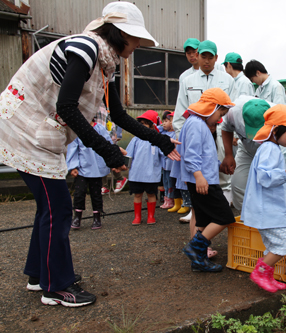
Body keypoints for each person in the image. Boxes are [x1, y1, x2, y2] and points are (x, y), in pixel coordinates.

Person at [0, 1, 179, 307]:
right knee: (58, 209)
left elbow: (119, 116)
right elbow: (67, 107)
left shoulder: (104, 64)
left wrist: (160, 140)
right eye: (136, 38)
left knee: (49, 208)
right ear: (121, 34)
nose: (138, 45)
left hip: (33, 131)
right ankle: (57, 287)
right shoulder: (85, 49)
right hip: (25, 131)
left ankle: (38, 275)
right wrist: (109, 151)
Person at [240, 104, 286, 293]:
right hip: (267, 211)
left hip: (269, 210)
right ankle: (260, 273)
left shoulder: (271, 147)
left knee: (274, 246)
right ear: (277, 130)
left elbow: (274, 175)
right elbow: (264, 177)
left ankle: (267, 275)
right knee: (284, 244)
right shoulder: (270, 148)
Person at [172, 88, 236, 272]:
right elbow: (190, 154)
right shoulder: (196, 124)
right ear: (212, 107)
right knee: (224, 217)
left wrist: (219, 165)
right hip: (203, 182)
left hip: (202, 179)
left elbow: (204, 156)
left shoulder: (197, 123)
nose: (220, 119)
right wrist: (199, 176)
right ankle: (195, 248)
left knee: (202, 221)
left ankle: (198, 261)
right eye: (220, 113)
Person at [173, 40, 235, 224]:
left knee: (219, 175)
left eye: (211, 57)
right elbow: (179, 113)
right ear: (198, 56)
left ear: (216, 58)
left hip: (221, 131)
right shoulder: (187, 80)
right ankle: (197, 211)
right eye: (203, 56)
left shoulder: (227, 79)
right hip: (196, 134)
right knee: (197, 177)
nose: (206, 61)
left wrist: (232, 142)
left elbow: (231, 113)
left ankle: (221, 206)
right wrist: (181, 142)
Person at [220, 96, 273, 210]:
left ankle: (274, 221)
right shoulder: (233, 111)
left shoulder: (277, 114)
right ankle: (247, 220)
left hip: (271, 151)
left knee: (276, 188)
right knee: (238, 185)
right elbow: (226, 129)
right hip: (246, 149)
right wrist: (229, 155)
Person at [66, 117, 117, 230]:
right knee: (79, 193)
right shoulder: (77, 129)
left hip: (97, 168)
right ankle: (77, 217)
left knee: (96, 194)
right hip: (82, 168)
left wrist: (112, 161)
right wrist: (73, 166)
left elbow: (107, 144)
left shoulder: (100, 128)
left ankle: (97, 217)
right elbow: (73, 148)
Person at [126, 110, 164, 225]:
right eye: (140, 123)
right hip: (136, 173)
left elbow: (163, 154)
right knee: (137, 194)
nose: (141, 126)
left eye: (145, 123)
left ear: (152, 125)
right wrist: (123, 166)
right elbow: (128, 154)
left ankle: (151, 216)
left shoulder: (157, 138)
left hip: (151, 174)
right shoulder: (136, 139)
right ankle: (137, 217)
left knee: (151, 194)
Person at [159, 111, 180, 209]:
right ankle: (167, 199)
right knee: (166, 182)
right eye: (163, 121)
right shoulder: (163, 133)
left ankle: (172, 200)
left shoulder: (175, 134)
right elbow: (156, 129)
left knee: (172, 182)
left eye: (167, 121)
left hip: (172, 164)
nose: (163, 123)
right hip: (165, 164)